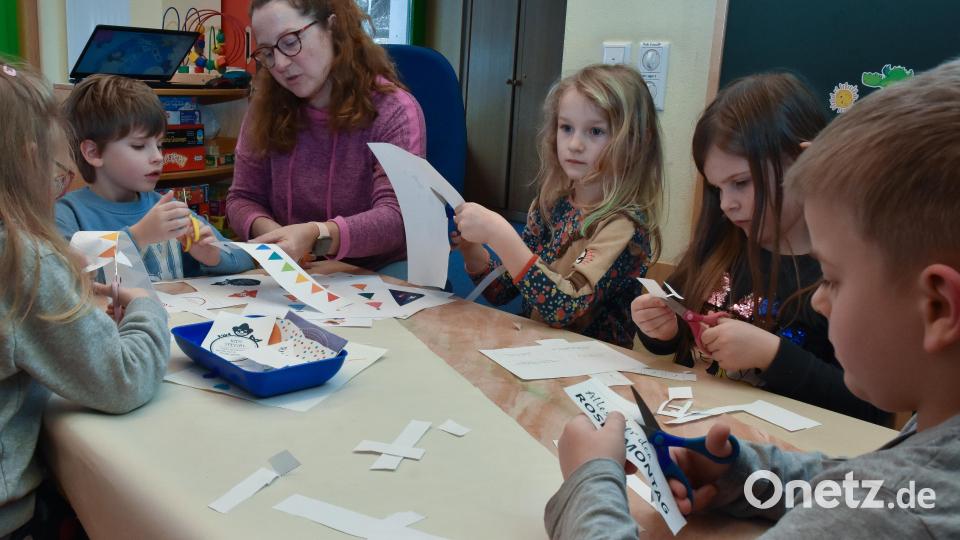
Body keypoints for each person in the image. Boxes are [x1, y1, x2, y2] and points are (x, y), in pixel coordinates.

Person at [546, 58, 960, 539]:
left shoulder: (876, 521)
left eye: (831, 278)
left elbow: (871, 502)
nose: (820, 300)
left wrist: (589, 481)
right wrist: (749, 476)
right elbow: (866, 486)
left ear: (938, 307)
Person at [631, 73, 887, 424]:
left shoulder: (843, 277)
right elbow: (678, 346)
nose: (726, 204)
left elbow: (872, 410)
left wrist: (773, 356)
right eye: (717, 189)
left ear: (804, 164)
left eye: (740, 182)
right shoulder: (720, 248)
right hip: (703, 431)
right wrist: (663, 333)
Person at [0, 59, 170, 539]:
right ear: (29, 160)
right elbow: (122, 378)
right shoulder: (22, 257)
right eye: (59, 175)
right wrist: (145, 305)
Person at [454, 64, 664, 348]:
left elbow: (563, 307)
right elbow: (502, 290)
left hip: (591, 366)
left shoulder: (624, 226)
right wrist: (471, 249)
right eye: (566, 128)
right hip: (533, 353)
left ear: (635, 143)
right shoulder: (551, 206)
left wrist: (499, 235)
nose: (575, 144)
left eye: (595, 131)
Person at [227, 0, 426, 272]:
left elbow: (397, 219)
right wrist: (277, 239)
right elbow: (242, 198)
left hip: (378, 268)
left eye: (290, 42)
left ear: (332, 27)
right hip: (297, 267)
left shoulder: (394, 110)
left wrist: (316, 236)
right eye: (267, 53)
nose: (280, 64)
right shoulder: (265, 108)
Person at [56, 74, 254, 281]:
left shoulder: (168, 209)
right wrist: (137, 237)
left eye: (159, 145)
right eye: (139, 146)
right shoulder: (67, 214)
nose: (158, 157)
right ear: (94, 152)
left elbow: (245, 259)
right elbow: (63, 282)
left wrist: (213, 256)